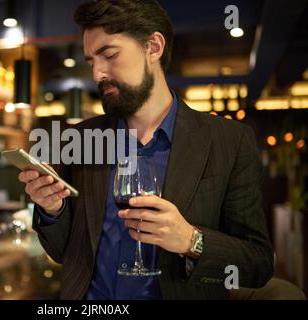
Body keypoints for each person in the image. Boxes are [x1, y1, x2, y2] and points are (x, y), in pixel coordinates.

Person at [18, 0, 274, 300]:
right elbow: (66, 254)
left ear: (153, 46)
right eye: (91, 62)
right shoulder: (78, 139)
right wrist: (52, 209)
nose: (98, 73)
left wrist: (192, 241)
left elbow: (258, 263)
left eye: (109, 55)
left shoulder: (229, 141)